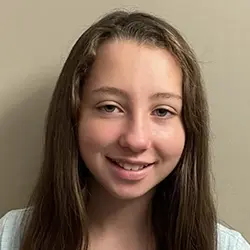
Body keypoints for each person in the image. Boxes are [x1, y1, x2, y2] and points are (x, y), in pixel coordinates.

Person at [0, 9, 249, 250]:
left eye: (162, 111)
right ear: (73, 116)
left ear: (189, 127)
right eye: (110, 107)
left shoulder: (227, 247)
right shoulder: (10, 238)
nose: (136, 140)